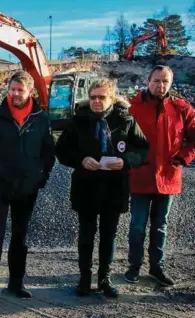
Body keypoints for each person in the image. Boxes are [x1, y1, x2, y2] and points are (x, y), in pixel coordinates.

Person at [56, 78, 149, 298]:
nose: (96, 101)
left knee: (109, 235)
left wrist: (125, 161)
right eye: (93, 97)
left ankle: (104, 279)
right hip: (86, 185)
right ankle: (84, 279)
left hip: (114, 187)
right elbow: (61, 150)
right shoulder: (78, 121)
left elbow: (143, 148)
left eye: (102, 97)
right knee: (86, 235)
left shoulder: (125, 120)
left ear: (112, 98)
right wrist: (81, 160)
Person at [0, 70, 55, 307]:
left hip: (27, 188)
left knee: (21, 238)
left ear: (30, 92)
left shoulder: (41, 118)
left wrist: (41, 178)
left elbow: (48, 153)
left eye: (20, 90)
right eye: (12, 89)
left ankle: (16, 283)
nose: (15, 94)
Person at [125, 65, 195, 286]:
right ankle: (133, 267)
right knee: (137, 225)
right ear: (148, 81)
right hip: (140, 176)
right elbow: (120, 140)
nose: (160, 85)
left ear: (170, 83)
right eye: (157, 80)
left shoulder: (182, 109)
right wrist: (130, 160)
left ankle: (157, 267)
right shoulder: (132, 108)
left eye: (165, 81)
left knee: (160, 225)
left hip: (167, 176)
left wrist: (183, 158)